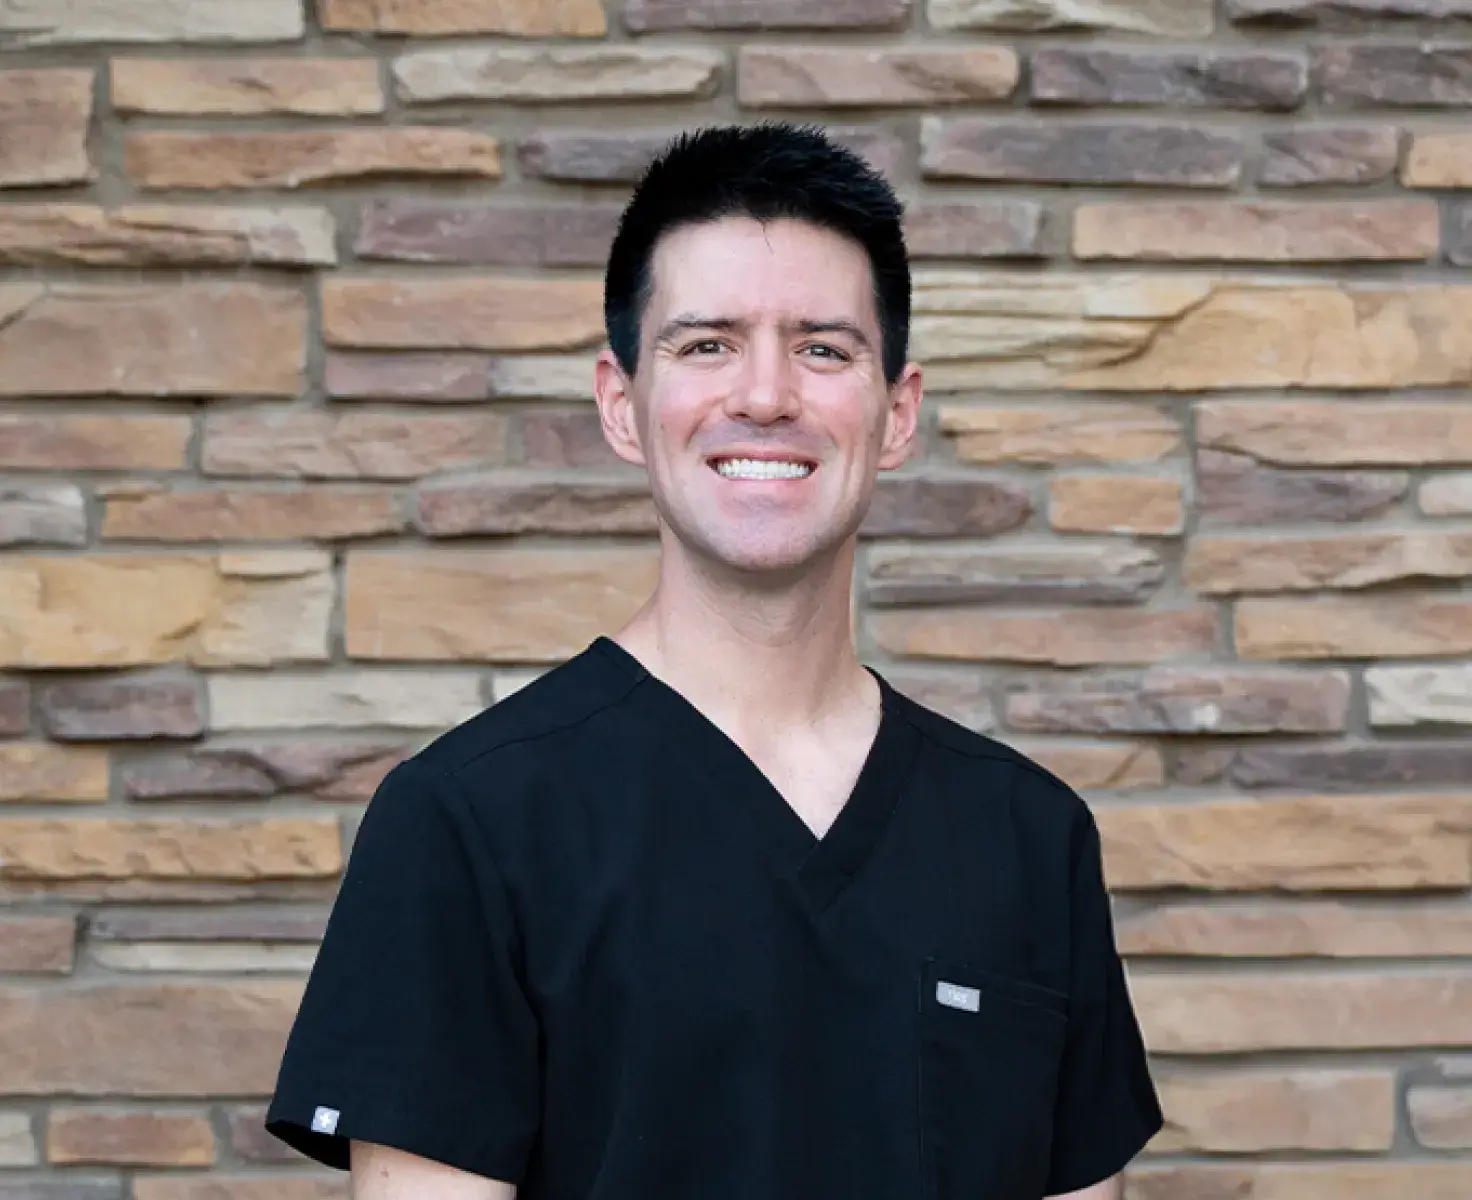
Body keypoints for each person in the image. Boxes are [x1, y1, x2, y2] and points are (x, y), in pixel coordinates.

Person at [264, 121, 1163, 1200]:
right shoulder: (468, 823)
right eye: (705, 344)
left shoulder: (1025, 835)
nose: (765, 396)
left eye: (823, 348)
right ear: (620, 404)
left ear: (896, 413)